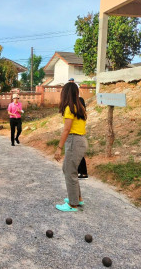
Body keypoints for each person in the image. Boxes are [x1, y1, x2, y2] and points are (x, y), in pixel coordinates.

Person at [54, 82, 88, 212]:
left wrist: (59, 148)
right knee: (68, 169)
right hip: (80, 140)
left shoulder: (70, 108)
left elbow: (66, 129)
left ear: (65, 93)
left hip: (74, 140)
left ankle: (73, 204)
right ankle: (77, 198)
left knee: (69, 171)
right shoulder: (79, 107)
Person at [69, 78, 89, 179]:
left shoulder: (78, 101)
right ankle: (81, 172)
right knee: (78, 155)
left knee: (78, 155)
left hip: (77, 132)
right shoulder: (77, 101)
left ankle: (82, 172)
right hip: (79, 132)